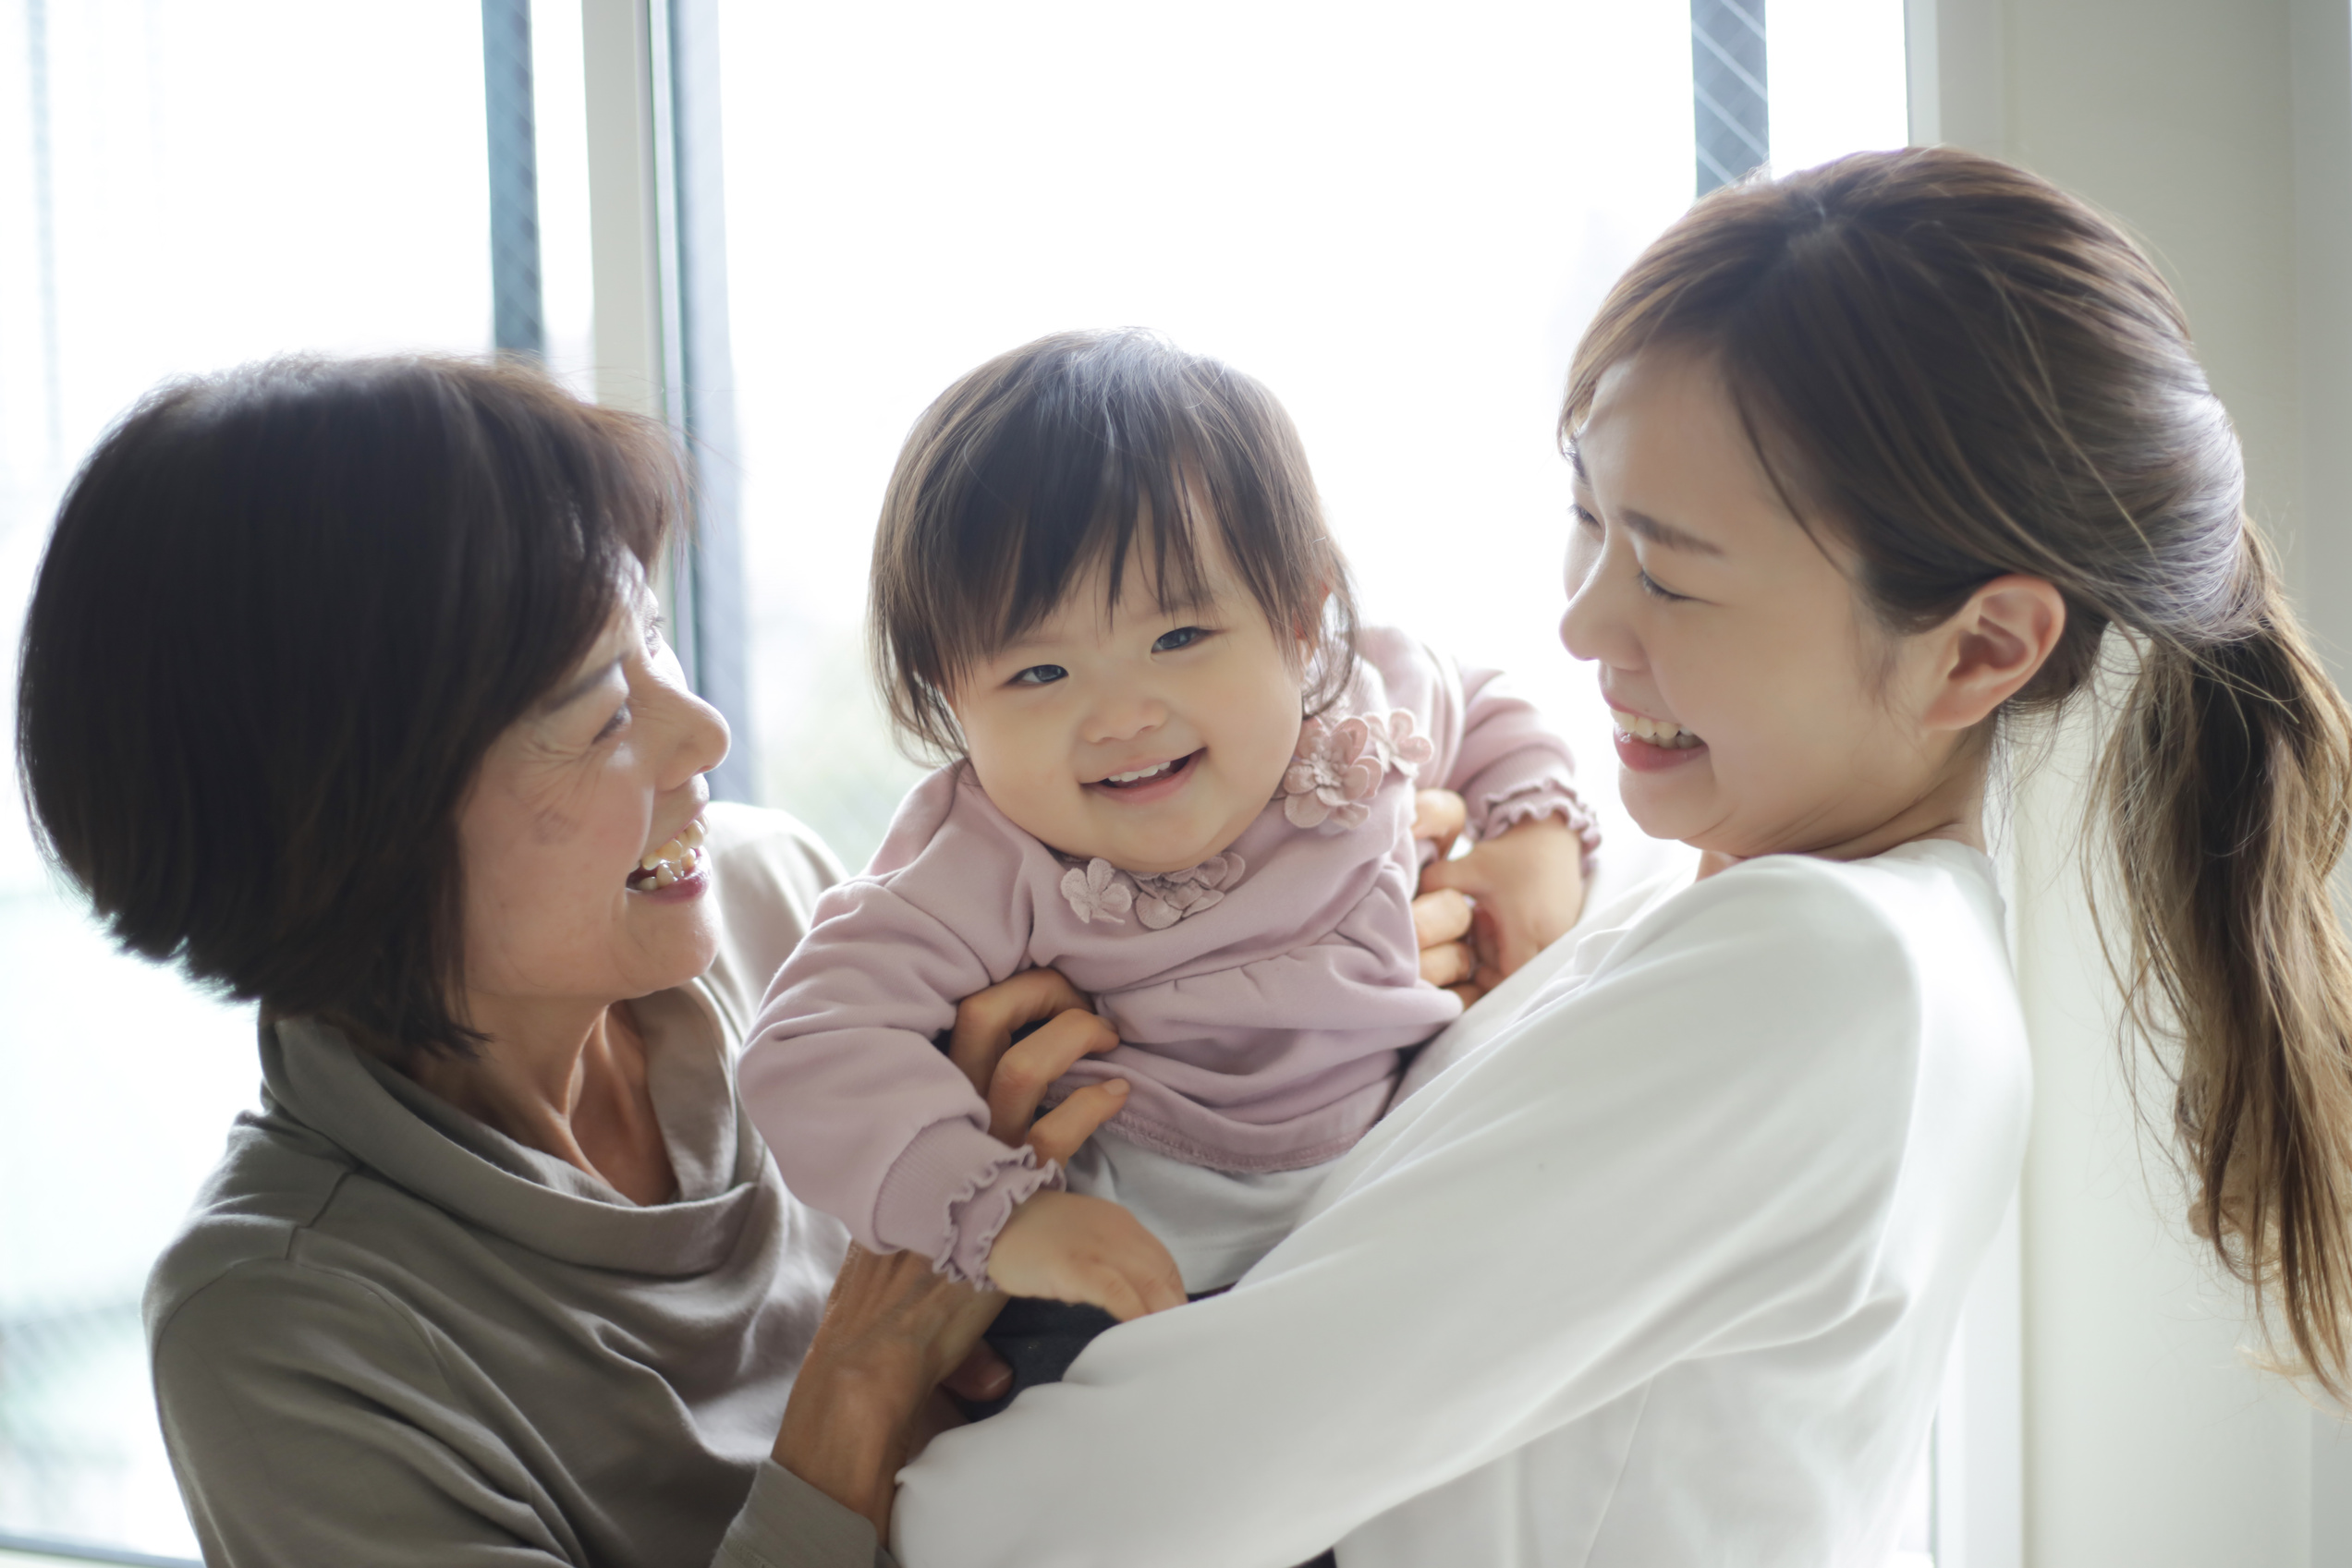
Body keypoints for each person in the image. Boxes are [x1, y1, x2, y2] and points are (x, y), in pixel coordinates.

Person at [771, 147, 2352, 1566]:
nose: (1585, 617)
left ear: (1977, 650)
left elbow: (1066, 1528)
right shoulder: (1739, 919)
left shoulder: (1824, 976)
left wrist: (874, 1417)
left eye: (1665, 571)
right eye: (1585, 521)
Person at [11, 357, 1091, 1567]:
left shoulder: (774, 904)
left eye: (657, 643)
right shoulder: (286, 1330)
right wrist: (859, 1388)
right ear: (361, 834)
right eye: (601, 713)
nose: (704, 733)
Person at [740, 330, 1599, 1399]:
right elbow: (808, 1050)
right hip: (1124, 1281)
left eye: (1180, 635)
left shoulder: (1362, 706)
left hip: (1392, 1204)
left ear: (1298, 618)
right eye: (1040, 669)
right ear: (948, 691)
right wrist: (1002, 1213)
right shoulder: (983, 857)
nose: (1123, 715)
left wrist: (1533, 842)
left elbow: (1491, 705)